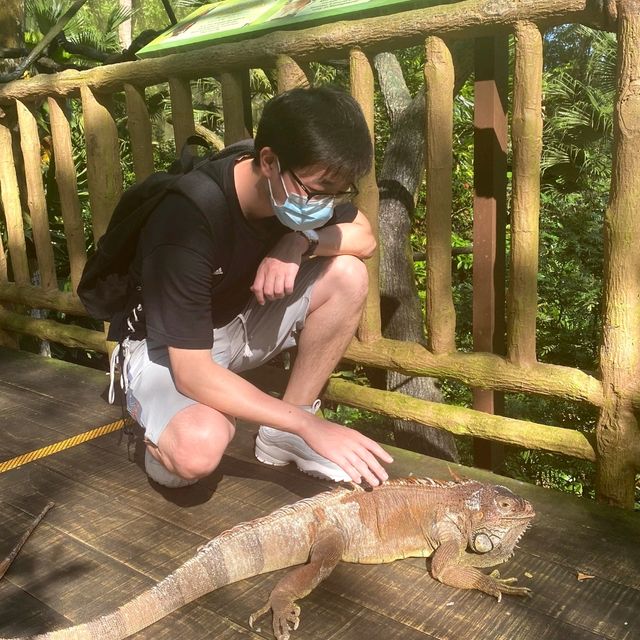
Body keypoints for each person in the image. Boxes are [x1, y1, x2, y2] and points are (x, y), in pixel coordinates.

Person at [112, 86, 393, 489]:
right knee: (197, 448)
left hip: (240, 323)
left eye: (339, 192)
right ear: (269, 161)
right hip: (167, 349)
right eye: (319, 190)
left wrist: (300, 242)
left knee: (348, 273)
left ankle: (283, 437)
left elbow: (364, 238)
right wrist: (311, 426)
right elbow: (192, 372)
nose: (326, 204)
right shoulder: (187, 219)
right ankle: (156, 436)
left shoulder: (300, 187)